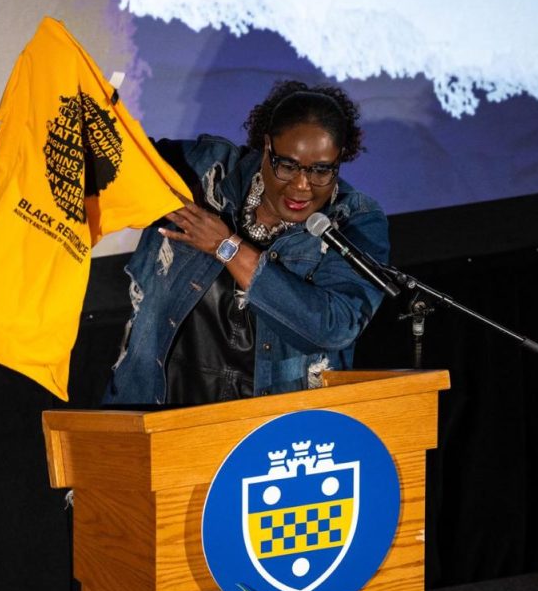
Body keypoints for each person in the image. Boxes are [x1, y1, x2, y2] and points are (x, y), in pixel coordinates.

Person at [103, 80, 390, 405]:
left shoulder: (353, 218)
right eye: (288, 165)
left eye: (322, 171)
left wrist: (227, 247)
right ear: (266, 147)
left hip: (270, 429)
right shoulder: (205, 173)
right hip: (158, 409)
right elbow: (117, 167)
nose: (302, 186)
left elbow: (333, 327)